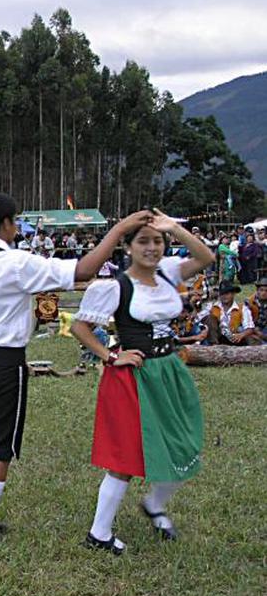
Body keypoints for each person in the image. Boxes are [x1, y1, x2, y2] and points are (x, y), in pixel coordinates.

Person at [0, 193, 152, 553]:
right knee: (0, 448)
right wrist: (119, 230)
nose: (18, 226)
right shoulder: (14, 262)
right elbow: (81, 270)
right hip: (4, 362)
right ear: (6, 223)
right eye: (16, 220)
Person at [69, 212, 215, 554]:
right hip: (133, 378)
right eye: (143, 241)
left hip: (169, 372)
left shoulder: (168, 273)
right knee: (125, 458)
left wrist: (175, 228)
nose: (152, 248)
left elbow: (207, 257)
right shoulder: (116, 287)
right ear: (129, 247)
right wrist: (109, 356)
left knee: (183, 442)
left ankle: (154, 504)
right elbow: (79, 327)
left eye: (157, 241)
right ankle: (99, 533)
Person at [206, 281, 258, 345]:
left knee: (250, 337)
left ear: (233, 294)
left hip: (235, 337)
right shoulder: (211, 307)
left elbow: (249, 328)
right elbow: (199, 320)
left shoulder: (242, 308)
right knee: (211, 318)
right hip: (218, 337)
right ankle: (214, 346)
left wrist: (241, 335)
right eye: (222, 294)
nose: (224, 296)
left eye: (227, 293)